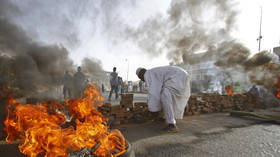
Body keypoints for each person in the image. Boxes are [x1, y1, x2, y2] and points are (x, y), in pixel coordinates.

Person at [136, 66, 191, 133]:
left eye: (140, 78)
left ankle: (172, 125)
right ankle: (164, 117)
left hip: (177, 76)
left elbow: (153, 94)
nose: (142, 80)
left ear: (141, 75)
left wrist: (152, 110)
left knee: (164, 95)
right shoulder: (153, 72)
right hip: (183, 74)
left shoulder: (148, 74)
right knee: (166, 95)